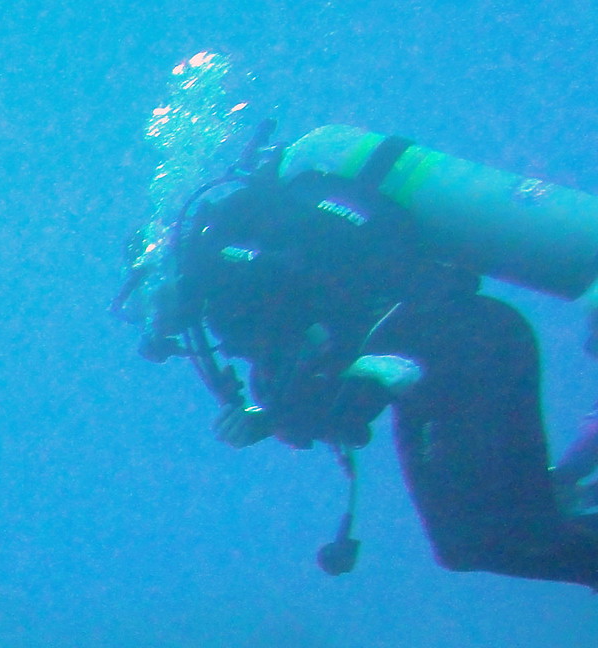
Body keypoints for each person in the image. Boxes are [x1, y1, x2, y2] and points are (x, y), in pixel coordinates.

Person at [144, 127, 598, 586]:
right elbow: (316, 379)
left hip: (463, 349)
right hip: (460, 352)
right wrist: (273, 416)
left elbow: (361, 336)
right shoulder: (245, 284)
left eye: (147, 301)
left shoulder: (235, 274)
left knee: (493, 538)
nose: (155, 330)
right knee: (486, 537)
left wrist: (349, 385)